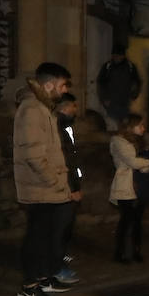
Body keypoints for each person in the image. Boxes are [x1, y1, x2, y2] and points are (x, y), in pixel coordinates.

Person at [13, 62, 74, 296]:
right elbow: (33, 154)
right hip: (40, 187)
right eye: (62, 85)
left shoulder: (43, 108)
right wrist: (55, 180)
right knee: (37, 238)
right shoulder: (32, 110)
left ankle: (42, 278)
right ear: (48, 84)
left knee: (47, 236)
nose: (64, 90)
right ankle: (29, 287)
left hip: (48, 187)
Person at [110, 113, 149, 264]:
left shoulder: (139, 142)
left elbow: (143, 166)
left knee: (137, 221)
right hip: (125, 185)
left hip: (139, 185)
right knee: (126, 220)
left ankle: (136, 251)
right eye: (140, 125)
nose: (143, 128)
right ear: (131, 126)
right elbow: (133, 162)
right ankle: (120, 252)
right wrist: (148, 162)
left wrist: (146, 165)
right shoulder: (119, 141)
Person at [54, 93, 83, 283]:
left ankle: (60, 258)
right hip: (64, 187)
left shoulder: (66, 126)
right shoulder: (58, 127)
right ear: (65, 107)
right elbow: (65, 160)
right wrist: (72, 187)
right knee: (60, 228)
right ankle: (56, 266)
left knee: (65, 228)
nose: (76, 110)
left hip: (69, 184)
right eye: (74, 106)